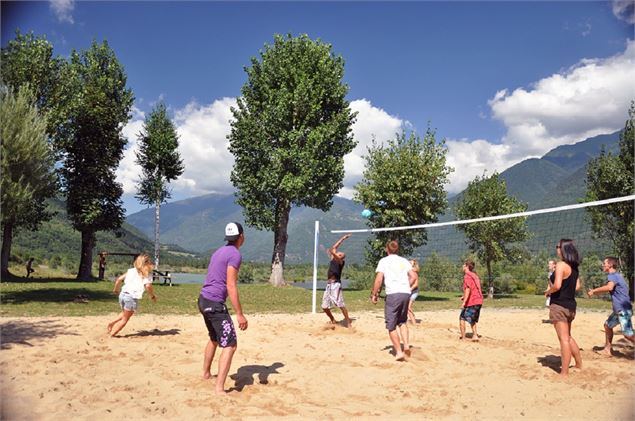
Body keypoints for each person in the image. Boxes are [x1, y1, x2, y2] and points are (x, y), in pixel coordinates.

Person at [198, 222, 248, 395]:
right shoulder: (235, 254)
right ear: (241, 236)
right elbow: (231, 285)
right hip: (215, 304)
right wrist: (240, 314)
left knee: (214, 338)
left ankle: (205, 373)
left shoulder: (219, 251)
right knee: (230, 345)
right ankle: (219, 389)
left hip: (203, 300)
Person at [370, 240, 416, 361]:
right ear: (397, 249)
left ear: (387, 249)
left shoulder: (384, 261)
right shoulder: (404, 261)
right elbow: (414, 276)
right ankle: (406, 345)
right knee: (402, 321)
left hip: (393, 294)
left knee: (391, 326)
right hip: (406, 293)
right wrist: (406, 285)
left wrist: (374, 294)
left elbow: (379, 280)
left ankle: (399, 352)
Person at [544, 238, 582, 377]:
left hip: (559, 305)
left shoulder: (561, 265)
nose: (556, 248)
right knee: (568, 337)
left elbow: (557, 286)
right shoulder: (574, 267)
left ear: (563, 249)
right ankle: (578, 364)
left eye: (557, 246)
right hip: (571, 306)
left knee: (563, 339)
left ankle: (564, 372)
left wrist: (549, 291)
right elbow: (578, 286)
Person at [587, 256, 634, 356]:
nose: (602, 265)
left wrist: (594, 291)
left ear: (610, 265)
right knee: (607, 325)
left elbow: (609, 287)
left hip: (623, 310)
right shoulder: (616, 275)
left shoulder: (612, 275)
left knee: (628, 335)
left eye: (604, 263)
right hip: (619, 310)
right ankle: (607, 349)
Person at [107, 253, 157, 337]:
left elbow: (119, 279)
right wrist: (152, 296)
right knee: (125, 319)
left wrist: (115, 290)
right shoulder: (146, 274)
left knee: (124, 313)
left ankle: (111, 323)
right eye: (150, 262)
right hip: (131, 297)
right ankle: (112, 335)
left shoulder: (131, 270)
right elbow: (148, 286)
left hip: (122, 295)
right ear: (146, 264)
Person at [322, 233, 353, 327]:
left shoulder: (340, 262)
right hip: (329, 285)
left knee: (340, 304)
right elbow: (334, 247)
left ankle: (348, 321)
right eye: (338, 253)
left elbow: (333, 252)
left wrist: (331, 251)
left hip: (336, 285)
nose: (338, 253)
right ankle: (333, 319)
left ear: (341, 257)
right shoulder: (333, 259)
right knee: (324, 307)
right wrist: (343, 238)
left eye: (340, 254)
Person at [459, 259, 483, 341]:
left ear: (467, 266)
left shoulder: (467, 276)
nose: (462, 266)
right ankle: (475, 335)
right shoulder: (475, 275)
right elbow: (474, 288)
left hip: (472, 301)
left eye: (463, 265)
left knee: (462, 317)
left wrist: (464, 302)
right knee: (472, 319)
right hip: (479, 300)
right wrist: (464, 296)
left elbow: (468, 289)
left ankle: (463, 337)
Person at [407, 259, 420, 324]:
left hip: (414, 291)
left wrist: (410, 289)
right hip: (411, 291)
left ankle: (413, 319)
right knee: (407, 308)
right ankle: (413, 322)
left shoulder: (414, 273)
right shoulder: (409, 272)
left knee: (408, 307)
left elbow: (416, 284)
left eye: (410, 263)